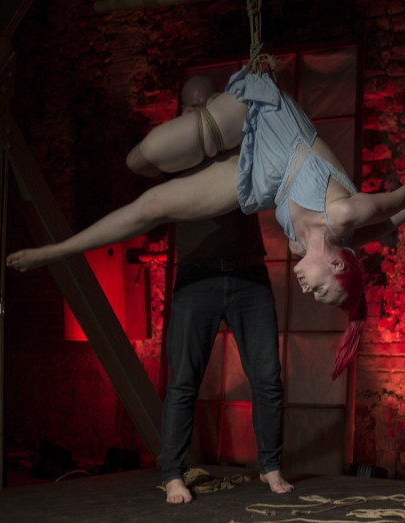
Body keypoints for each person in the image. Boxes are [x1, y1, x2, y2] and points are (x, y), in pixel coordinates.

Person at [6, 65, 405, 379]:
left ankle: (56, 251)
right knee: (141, 158)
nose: (310, 292)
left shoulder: (306, 245)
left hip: (258, 177)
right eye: (322, 291)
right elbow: (399, 200)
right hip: (267, 122)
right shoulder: (346, 214)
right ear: (338, 265)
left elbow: (390, 226)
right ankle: (207, 114)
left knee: (152, 203)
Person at [159, 76, 291, 503]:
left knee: (267, 379)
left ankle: (270, 466)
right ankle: (172, 474)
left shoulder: (240, 143)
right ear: (181, 113)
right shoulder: (175, 154)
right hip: (196, 278)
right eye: (191, 107)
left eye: (208, 103)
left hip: (248, 275)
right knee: (183, 382)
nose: (201, 113)